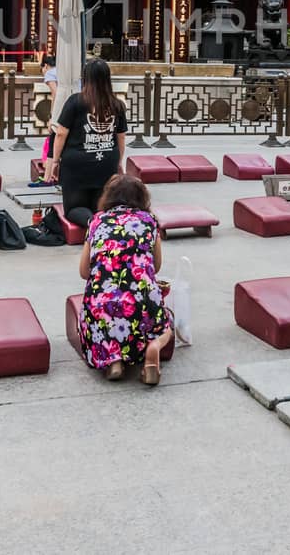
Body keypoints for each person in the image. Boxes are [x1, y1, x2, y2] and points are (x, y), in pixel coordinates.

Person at [77, 174, 173, 385]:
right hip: (143, 305)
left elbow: (84, 271)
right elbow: (155, 267)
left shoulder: (96, 221)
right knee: (166, 324)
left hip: (102, 306)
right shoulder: (150, 221)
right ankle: (153, 348)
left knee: (95, 320)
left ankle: (114, 360)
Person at [45, 57, 126, 227]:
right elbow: (121, 137)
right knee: (101, 206)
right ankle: (102, 222)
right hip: (106, 162)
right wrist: (117, 162)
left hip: (76, 165)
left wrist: (54, 161)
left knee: (74, 208)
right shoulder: (117, 104)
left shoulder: (75, 101)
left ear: (85, 78)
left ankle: (92, 224)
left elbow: (60, 134)